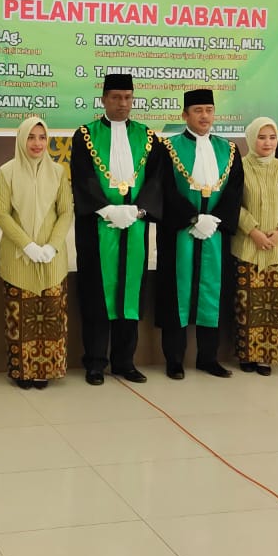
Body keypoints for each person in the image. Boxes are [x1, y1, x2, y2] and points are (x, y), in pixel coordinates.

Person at [70, 73, 162, 385]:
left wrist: (138, 210)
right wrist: (107, 209)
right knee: (98, 295)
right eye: (116, 98)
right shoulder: (85, 135)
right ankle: (95, 362)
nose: (123, 104)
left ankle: (125, 362)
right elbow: (83, 176)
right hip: (99, 226)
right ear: (104, 100)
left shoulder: (147, 137)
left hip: (135, 226)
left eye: (127, 97)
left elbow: (156, 180)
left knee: (130, 295)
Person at [154, 89, 243, 379]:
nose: (204, 116)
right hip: (179, 232)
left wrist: (214, 220)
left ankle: (208, 358)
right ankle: (174, 360)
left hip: (215, 232)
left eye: (209, 110)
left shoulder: (229, 150)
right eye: (198, 110)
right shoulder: (167, 147)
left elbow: (234, 191)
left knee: (211, 294)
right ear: (185, 115)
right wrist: (193, 218)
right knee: (176, 294)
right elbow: (164, 189)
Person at [0, 116, 74, 389]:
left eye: (42, 137)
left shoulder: (58, 172)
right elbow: (2, 214)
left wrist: (52, 246)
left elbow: (65, 212)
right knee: (20, 317)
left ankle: (46, 370)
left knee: (51, 315)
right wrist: (27, 245)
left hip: (52, 258)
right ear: (21, 139)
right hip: (18, 257)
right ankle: (22, 371)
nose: (37, 143)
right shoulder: (6, 172)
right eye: (30, 137)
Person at [231, 117, 278, 376]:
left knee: (273, 306)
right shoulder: (240, 167)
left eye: (272, 137)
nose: (268, 143)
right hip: (247, 248)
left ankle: (266, 358)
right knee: (246, 306)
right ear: (251, 139)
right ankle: (247, 355)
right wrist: (254, 232)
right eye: (262, 137)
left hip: (277, 251)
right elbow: (234, 204)